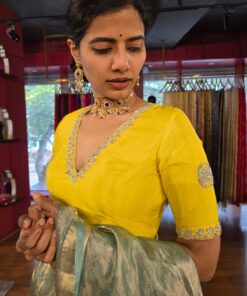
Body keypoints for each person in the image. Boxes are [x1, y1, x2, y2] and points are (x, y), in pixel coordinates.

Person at [16, 0, 221, 294]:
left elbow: (205, 264)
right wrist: (35, 233)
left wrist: (79, 246)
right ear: (75, 51)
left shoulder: (170, 127)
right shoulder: (67, 125)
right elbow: (64, 218)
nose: (123, 63)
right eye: (103, 49)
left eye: (135, 47)